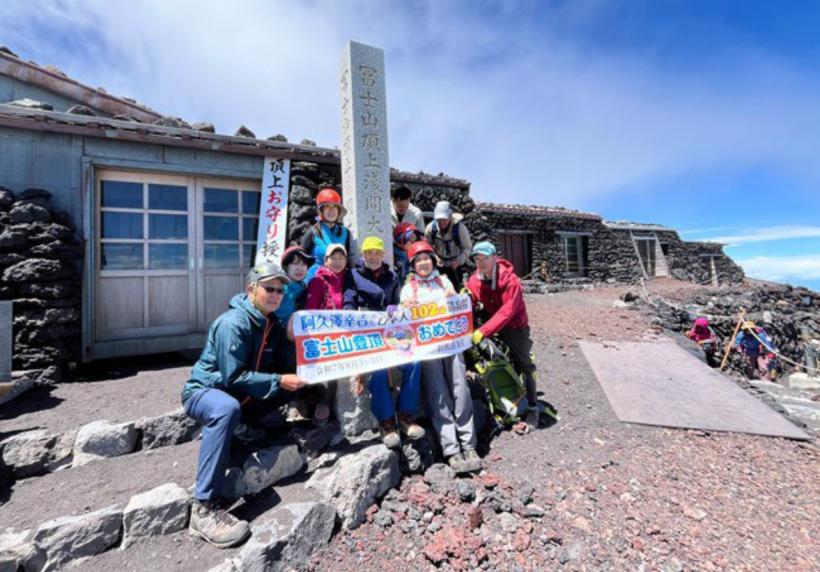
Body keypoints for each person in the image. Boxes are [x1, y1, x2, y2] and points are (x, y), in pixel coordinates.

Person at [181, 262, 306, 548]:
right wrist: (278, 380)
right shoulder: (233, 323)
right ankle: (203, 508)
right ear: (251, 289)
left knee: (293, 384)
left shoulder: (270, 323)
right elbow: (233, 376)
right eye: (269, 288)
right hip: (207, 392)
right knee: (227, 409)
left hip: (239, 396)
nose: (275, 295)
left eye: (280, 290)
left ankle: (241, 430)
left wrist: (289, 341)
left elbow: (280, 367)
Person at [400, 241, 481, 473]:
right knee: (438, 394)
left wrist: (453, 297)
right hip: (428, 348)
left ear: (433, 260)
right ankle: (451, 449)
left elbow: (457, 306)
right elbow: (403, 319)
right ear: (413, 265)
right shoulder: (408, 289)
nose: (423, 263)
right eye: (418, 260)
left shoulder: (443, 281)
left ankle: (469, 444)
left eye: (426, 258)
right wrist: (407, 307)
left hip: (452, 343)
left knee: (460, 389)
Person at [344, 235, 425, 448]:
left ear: (383, 254)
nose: (373, 256)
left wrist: (395, 308)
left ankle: (406, 415)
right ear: (362, 254)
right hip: (367, 333)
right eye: (368, 252)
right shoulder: (353, 275)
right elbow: (348, 302)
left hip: (391, 330)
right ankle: (386, 421)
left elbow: (398, 302)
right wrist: (357, 316)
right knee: (379, 369)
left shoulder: (392, 276)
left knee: (413, 362)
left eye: (377, 253)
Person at [465, 241, 540, 428]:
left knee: (525, 364)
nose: (481, 262)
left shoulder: (510, 280)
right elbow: (472, 298)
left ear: (495, 258)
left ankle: (532, 407)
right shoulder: (475, 280)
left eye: (485, 258)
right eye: (477, 258)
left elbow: (508, 311)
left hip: (515, 326)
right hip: (491, 322)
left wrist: (482, 331)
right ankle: (499, 397)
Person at [304, 243, 350, 425]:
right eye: (334, 258)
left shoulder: (348, 278)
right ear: (326, 261)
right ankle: (323, 402)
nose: (338, 262)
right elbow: (311, 310)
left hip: (345, 331)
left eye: (341, 258)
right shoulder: (318, 280)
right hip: (323, 333)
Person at [301, 187, 352, 281]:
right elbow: (302, 260)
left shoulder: (346, 232)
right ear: (321, 211)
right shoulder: (313, 232)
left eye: (334, 207)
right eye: (327, 206)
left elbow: (348, 259)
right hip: (315, 280)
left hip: (339, 281)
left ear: (339, 211)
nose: (331, 210)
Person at [424, 200, 472, 291]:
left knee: (456, 290)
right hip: (439, 265)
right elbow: (427, 247)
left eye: (444, 219)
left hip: (456, 266)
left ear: (450, 216)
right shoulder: (431, 229)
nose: (442, 222)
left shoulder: (460, 229)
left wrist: (458, 261)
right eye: (439, 220)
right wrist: (434, 257)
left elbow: (467, 248)